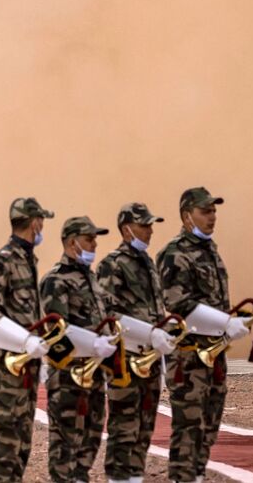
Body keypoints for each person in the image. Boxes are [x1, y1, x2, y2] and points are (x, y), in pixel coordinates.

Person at [158, 187, 248, 483]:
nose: (212, 217)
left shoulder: (210, 250)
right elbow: (178, 305)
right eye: (205, 211)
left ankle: (194, 476)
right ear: (187, 216)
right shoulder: (175, 253)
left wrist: (230, 324)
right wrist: (224, 322)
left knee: (208, 428)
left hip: (213, 354)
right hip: (188, 358)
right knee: (189, 427)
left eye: (213, 211)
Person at [98, 203, 177, 483]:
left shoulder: (148, 264)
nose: (150, 230)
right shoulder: (112, 265)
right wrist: (148, 333)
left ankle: (134, 478)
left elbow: (154, 310)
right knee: (124, 427)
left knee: (145, 427)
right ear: (127, 229)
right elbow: (108, 313)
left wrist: (167, 329)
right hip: (127, 359)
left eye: (150, 224)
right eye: (144, 225)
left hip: (150, 360)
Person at [0, 197, 54, 483]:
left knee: (21, 446)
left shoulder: (27, 260)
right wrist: (25, 341)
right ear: (34, 222)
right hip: (6, 369)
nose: (42, 227)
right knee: (4, 449)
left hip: (25, 368)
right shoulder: (4, 260)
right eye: (41, 221)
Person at [40, 216, 118, 483]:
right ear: (72, 242)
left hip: (94, 373)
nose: (95, 244)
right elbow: (56, 329)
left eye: (95, 239)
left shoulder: (92, 279)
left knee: (92, 435)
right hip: (68, 375)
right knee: (65, 441)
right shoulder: (56, 280)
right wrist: (93, 342)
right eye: (89, 239)